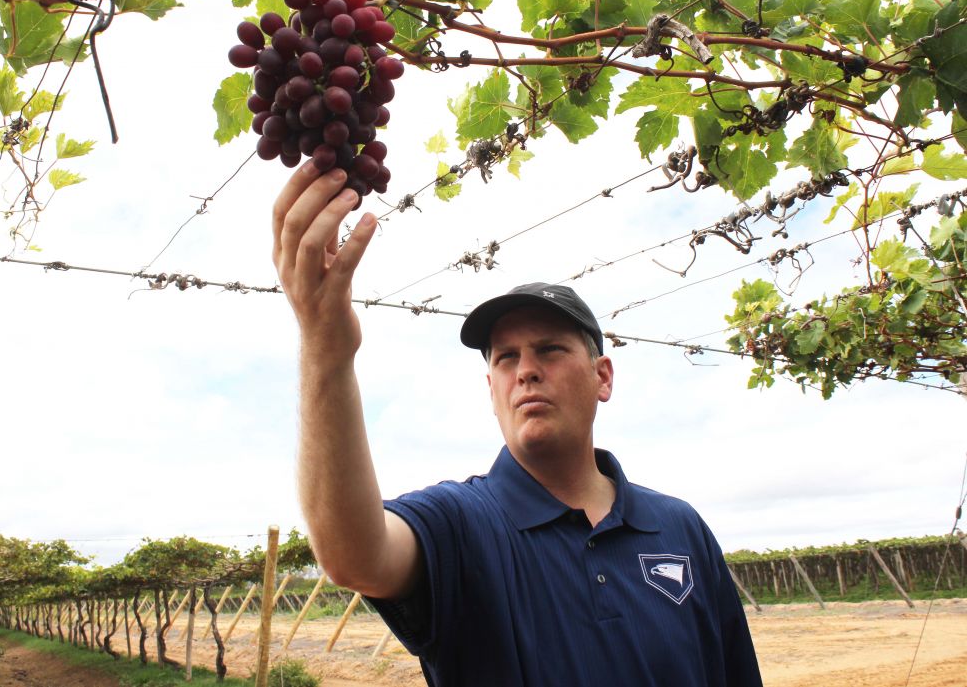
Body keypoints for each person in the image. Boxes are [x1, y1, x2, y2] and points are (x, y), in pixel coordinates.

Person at [273, 163, 764, 686]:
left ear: (602, 377)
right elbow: (354, 556)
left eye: (549, 349)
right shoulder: (461, 522)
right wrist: (325, 345)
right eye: (506, 358)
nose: (526, 369)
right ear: (492, 391)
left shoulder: (680, 526)